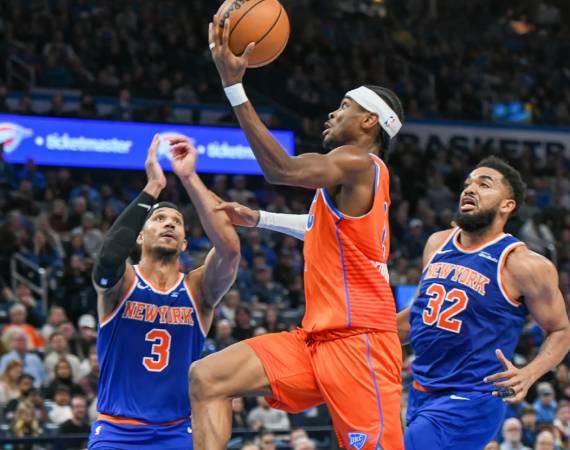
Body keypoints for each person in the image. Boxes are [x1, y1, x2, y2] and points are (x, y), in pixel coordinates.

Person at [191, 15, 406, 450]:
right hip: (314, 341)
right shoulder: (353, 181)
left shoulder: (359, 163)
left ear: (370, 123)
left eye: (345, 106)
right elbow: (319, 229)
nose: (333, 111)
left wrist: (235, 87)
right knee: (207, 377)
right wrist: (260, 219)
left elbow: (281, 169)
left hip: (360, 342)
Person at [395, 157, 570, 449]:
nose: (470, 189)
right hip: (421, 391)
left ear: (507, 205)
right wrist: (365, 334)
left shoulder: (523, 264)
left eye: (483, 184)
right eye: (468, 184)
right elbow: (420, 315)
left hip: (473, 397)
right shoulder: (437, 243)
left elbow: (561, 331)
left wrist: (528, 374)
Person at [86, 135, 240, 449]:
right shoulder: (125, 282)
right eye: (159, 219)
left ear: (185, 243)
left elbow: (230, 250)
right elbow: (106, 261)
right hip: (117, 431)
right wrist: (153, 186)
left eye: (177, 222)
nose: (169, 223)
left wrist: (188, 177)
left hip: (176, 431)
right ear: (139, 237)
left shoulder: (198, 288)